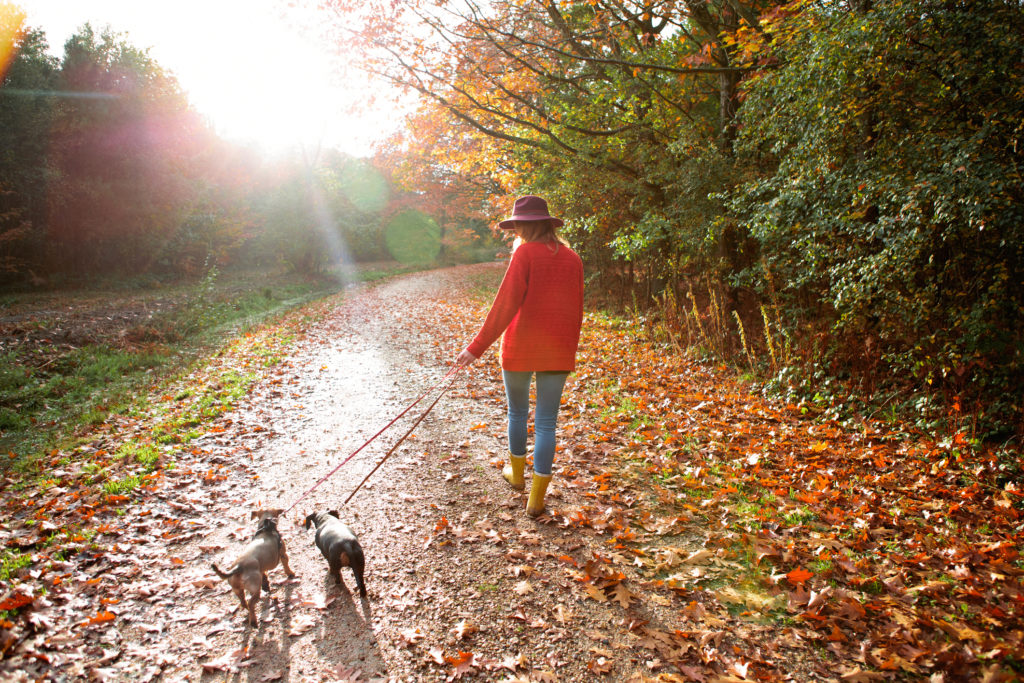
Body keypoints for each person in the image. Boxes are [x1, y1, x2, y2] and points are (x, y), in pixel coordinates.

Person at [456, 195, 584, 517]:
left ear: (527, 227)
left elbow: (505, 305)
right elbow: (575, 312)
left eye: (519, 227)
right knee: (546, 422)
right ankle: (536, 498)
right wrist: (568, 349)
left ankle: (516, 477)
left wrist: (475, 347)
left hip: (521, 348)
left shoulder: (525, 254)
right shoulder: (574, 260)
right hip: (557, 350)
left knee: (517, 413)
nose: (518, 233)